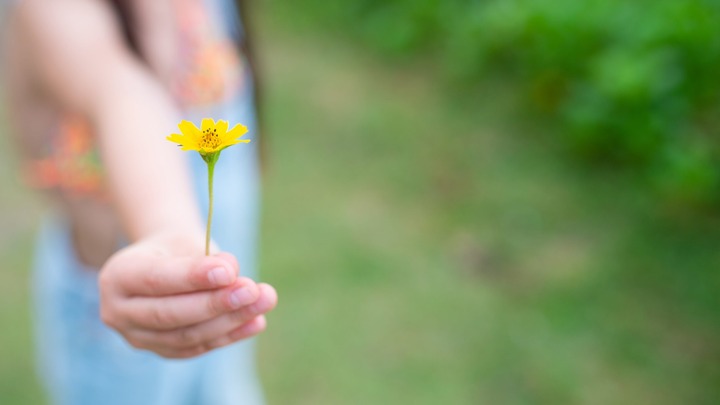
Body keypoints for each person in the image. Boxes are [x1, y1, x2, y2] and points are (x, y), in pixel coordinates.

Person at [0, 0, 277, 404]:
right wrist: (170, 231)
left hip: (219, 298)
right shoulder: (54, 11)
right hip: (129, 306)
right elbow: (125, 98)